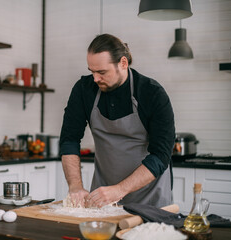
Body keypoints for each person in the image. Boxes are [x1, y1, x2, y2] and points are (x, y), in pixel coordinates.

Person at [59, 33, 175, 209]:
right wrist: (75, 186)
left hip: (150, 197)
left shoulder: (152, 93)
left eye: (102, 72)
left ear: (123, 63)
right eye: (92, 72)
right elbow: (69, 139)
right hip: (103, 196)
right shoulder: (84, 90)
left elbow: (160, 156)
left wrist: (120, 190)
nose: (95, 78)